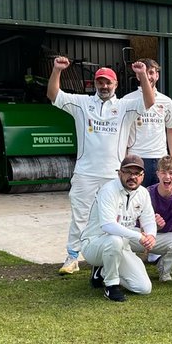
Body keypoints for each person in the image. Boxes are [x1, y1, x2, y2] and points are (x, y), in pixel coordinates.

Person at [48, 58, 156, 275]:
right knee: (80, 215)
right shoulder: (82, 104)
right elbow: (54, 95)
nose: (104, 86)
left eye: (108, 83)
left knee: (112, 218)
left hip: (114, 175)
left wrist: (143, 75)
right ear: (94, 84)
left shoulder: (124, 106)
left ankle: (111, 255)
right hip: (85, 173)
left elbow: (149, 102)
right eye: (100, 82)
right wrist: (57, 70)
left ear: (115, 85)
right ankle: (72, 256)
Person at [78, 155, 158, 302]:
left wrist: (151, 236)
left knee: (144, 288)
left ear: (142, 176)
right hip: (94, 244)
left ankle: (102, 271)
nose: (132, 177)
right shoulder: (108, 190)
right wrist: (140, 237)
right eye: (128, 172)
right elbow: (108, 225)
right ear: (119, 173)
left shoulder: (143, 193)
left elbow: (149, 220)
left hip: (122, 243)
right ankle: (111, 286)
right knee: (115, 240)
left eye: (136, 173)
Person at [127, 58, 172, 184]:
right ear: (138, 76)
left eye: (151, 72)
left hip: (160, 158)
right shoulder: (127, 100)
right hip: (136, 157)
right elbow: (124, 131)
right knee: (136, 199)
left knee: (158, 200)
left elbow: (171, 130)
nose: (148, 76)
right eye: (144, 72)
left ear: (157, 75)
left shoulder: (166, 101)